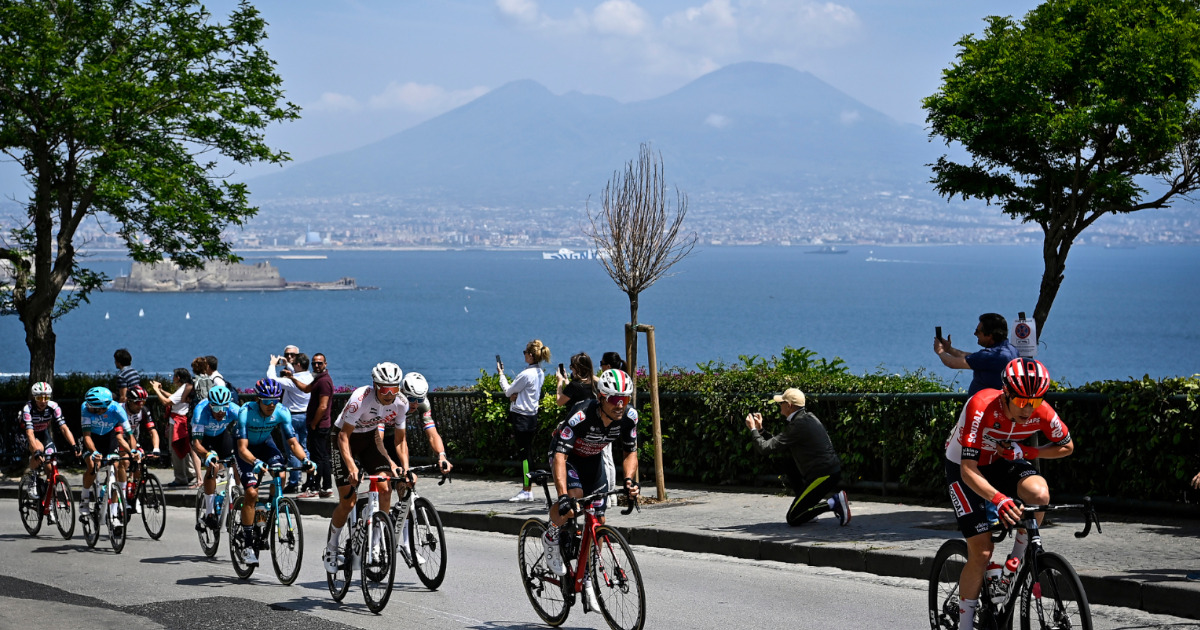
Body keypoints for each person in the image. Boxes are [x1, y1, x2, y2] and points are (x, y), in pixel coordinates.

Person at [943, 358, 1074, 630]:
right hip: (965, 467)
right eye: (1023, 402)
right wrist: (999, 499)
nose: (1029, 409)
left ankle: (1013, 564)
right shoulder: (982, 406)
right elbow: (968, 470)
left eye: (1036, 401)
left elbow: (1067, 446)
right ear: (1006, 393)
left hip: (1001, 462)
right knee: (981, 553)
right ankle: (966, 624)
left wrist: (1028, 452)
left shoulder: (1043, 412)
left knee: (1039, 494)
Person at [542, 367, 641, 605]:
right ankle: (550, 535)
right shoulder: (581, 415)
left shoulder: (629, 417)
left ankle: (587, 575)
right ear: (601, 398)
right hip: (567, 458)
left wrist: (629, 480)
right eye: (615, 399)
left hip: (593, 461)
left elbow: (631, 452)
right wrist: (563, 495)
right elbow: (559, 458)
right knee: (573, 503)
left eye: (625, 399)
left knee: (599, 520)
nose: (620, 405)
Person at [322, 363, 407, 573]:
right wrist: (351, 466)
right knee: (348, 501)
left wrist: (405, 468)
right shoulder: (360, 398)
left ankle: (376, 542)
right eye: (384, 388)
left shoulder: (401, 403)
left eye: (394, 388)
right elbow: (343, 436)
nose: (389, 394)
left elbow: (400, 441)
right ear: (375, 385)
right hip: (344, 438)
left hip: (369, 439)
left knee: (385, 486)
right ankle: (332, 547)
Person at [744, 388, 850, 527]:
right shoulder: (805, 418)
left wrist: (753, 429)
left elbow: (764, 448)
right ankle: (808, 510)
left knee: (793, 518)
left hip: (824, 475)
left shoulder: (799, 425)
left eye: (781, 402)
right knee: (788, 463)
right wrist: (761, 430)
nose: (779, 405)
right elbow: (776, 444)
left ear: (789, 405)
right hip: (824, 472)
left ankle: (834, 502)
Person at [234, 379, 312, 567]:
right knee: (251, 492)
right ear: (258, 399)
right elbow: (242, 448)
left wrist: (305, 460)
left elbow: (293, 443)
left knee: (281, 474)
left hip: (266, 445)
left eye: (275, 400)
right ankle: (247, 544)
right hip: (246, 452)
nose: (271, 405)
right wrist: (255, 461)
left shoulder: (282, 411)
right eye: (267, 401)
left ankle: (266, 511)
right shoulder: (245, 412)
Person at [498, 339, 550, 502]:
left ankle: (527, 490)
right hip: (531, 416)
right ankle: (528, 487)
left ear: (530, 355)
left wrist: (501, 375)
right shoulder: (539, 373)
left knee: (524, 454)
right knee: (528, 452)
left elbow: (508, 391)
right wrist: (516, 395)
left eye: (525, 353)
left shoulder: (526, 374)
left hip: (521, 417)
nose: (524, 355)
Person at [79, 387, 134, 528]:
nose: (89, 408)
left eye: (93, 407)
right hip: (92, 440)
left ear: (102, 408)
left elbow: (130, 435)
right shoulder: (85, 408)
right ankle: (84, 500)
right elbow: (86, 436)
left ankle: (114, 513)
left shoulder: (116, 409)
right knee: (92, 465)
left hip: (109, 439)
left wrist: (133, 450)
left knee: (117, 466)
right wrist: (94, 452)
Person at [283, 351, 333, 497]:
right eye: (314, 363)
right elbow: (306, 389)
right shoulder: (319, 378)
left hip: (319, 425)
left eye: (319, 363)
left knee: (318, 458)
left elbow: (323, 406)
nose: (316, 365)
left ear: (325, 364)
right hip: (319, 424)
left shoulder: (324, 382)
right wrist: (292, 378)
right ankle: (326, 487)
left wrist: (313, 424)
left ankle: (315, 488)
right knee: (322, 456)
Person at [191, 385, 240, 530]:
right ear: (210, 405)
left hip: (221, 435)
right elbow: (196, 444)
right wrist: (207, 455)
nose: (221, 412)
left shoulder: (234, 409)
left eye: (224, 408)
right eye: (217, 408)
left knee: (238, 461)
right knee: (214, 466)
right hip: (204, 439)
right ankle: (209, 513)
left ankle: (238, 494)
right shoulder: (200, 412)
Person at [934, 313, 1019, 396]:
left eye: (978, 331)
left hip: (985, 407)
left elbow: (952, 363)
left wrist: (940, 351)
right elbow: (972, 358)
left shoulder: (991, 356)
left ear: (989, 335)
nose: (975, 334)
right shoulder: (1010, 350)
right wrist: (949, 350)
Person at [21, 382, 78, 500]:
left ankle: (49, 499)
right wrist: (35, 451)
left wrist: (74, 445)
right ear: (33, 398)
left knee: (51, 465)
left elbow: (64, 428)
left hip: (43, 433)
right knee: (39, 449)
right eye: (39, 398)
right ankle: (32, 478)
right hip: (26, 434)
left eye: (46, 397)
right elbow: (30, 433)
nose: (43, 401)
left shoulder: (54, 407)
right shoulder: (28, 408)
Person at [270, 352, 312, 494]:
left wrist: (272, 364)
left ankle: (294, 482)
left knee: (293, 451)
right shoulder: (310, 377)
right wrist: (288, 365)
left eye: (294, 363)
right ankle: (309, 479)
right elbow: (296, 374)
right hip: (306, 415)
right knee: (304, 449)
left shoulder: (290, 382)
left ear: (298, 365)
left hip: (291, 417)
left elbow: (272, 379)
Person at [150, 367, 199, 488]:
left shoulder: (184, 388)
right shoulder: (186, 387)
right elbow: (173, 397)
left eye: (174, 376)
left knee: (176, 449)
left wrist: (156, 390)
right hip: (182, 420)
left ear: (178, 378)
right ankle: (190, 472)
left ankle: (180, 478)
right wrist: (162, 390)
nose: (172, 378)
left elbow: (166, 402)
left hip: (177, 422)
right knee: (183, 448)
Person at [122, 385, 159, 513]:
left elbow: (152, 431)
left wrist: (156, 448)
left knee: (139, 462)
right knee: (125, 462)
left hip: (132, 440)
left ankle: (134, 494)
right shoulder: (120, 410)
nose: (141, 405)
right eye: (138, 402)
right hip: (118, 439)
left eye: (143, 402)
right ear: (129, 401)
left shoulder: (143, 411)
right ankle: (121, 494)